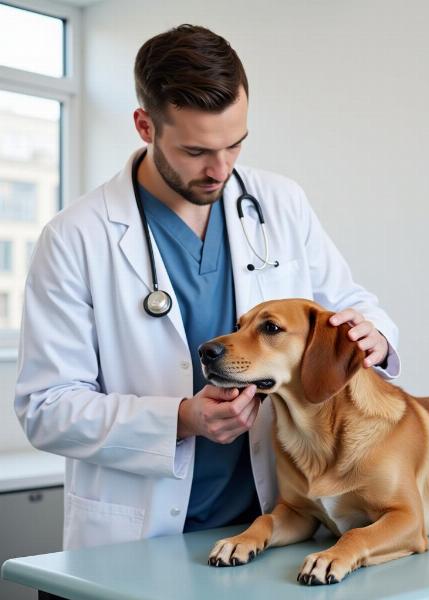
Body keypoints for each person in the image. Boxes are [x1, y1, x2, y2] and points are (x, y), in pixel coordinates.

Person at [14, 24, 400, 551]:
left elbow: (351, 305)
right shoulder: (75, 237)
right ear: (145, 125)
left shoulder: (279, 203)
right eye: (196, 150)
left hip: (274, 524)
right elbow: (47, 407)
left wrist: (372, 333)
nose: (220, 169)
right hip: (141, 534)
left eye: (235, 144)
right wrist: (180, 419)